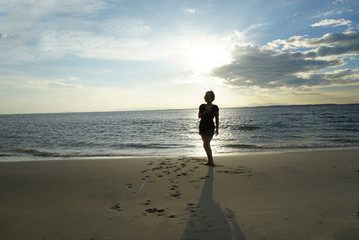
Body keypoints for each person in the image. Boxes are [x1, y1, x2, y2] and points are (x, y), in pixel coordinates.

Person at [198, 91, 219, 166]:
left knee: (206, 144)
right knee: (205, 145)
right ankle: (210, 161)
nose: (206, 98)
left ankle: (211, 161)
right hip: (202, 127)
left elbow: (216, 119)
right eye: (205, 96)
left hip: (210, 127)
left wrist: (217, 129)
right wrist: (205, 112)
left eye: (207, 96)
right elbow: (199, 116)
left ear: (212, 98)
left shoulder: (215, 107)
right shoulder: (202, 106)